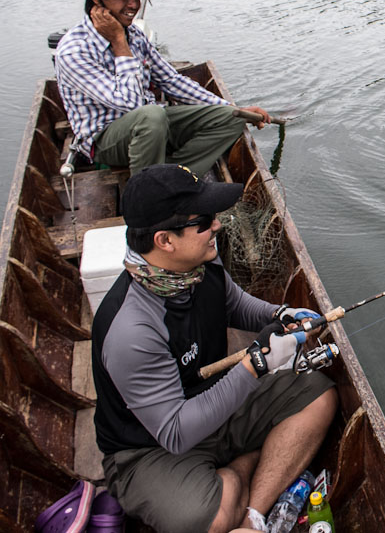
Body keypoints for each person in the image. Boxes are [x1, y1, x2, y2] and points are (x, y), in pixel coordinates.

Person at [92, 164, 337, 532]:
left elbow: (233, 303)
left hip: (216, 402)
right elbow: (175, 431)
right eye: (204, 220)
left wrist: (281, 313)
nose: (218, 226)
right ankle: (249, 466)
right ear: (165, 240)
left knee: (319, 395)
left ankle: (253, 516)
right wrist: (256, 365)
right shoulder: (132, 331)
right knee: (204, 519)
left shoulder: (199, 263)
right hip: (150, 447)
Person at [55, 0, 272, 176]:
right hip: (105, 140)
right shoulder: (74, 50)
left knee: (231, 120)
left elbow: (171, 81)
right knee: (150, 116)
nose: (133, 5)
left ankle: (176, 176)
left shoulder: (134, 36)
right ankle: (148, 195)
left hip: (153, 125)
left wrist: (233, 109)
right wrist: (119, 43)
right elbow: (133, 106)